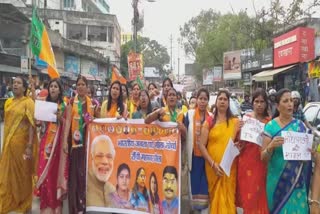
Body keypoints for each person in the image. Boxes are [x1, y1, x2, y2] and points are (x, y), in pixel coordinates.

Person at [261, 88, 312, 213]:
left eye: (291, 100)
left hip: (296, 181)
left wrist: (308, 154)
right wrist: (271, 146)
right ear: (278, 106)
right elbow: (263, 158)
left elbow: (306, 160)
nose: (290, 104)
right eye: (285, 101)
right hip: (277, 182)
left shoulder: (301, 126)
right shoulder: (271, 127)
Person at [198, 89, 240, 213]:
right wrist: (213, 164)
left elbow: (239, 144)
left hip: (229, 168)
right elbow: (201, 145)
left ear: (228, 103)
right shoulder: (209, 122)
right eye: (220, 99)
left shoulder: (235, 122)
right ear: (216, 102)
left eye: (225, 99)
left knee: (228, 199)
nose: (222, 101)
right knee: (215, 199)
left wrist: (239, 145)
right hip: (213, 168)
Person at [0, 76, 38, 213]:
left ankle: (23, 200)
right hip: (9, 145)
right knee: (7, 174)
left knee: (23, 174)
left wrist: (29, 145)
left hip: (22, 146)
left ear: (24, 87)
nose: (15, 85)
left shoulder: (28, 103)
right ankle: (10, 199)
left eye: (19, 83)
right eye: (14, 83)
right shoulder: (8, 102)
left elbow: (32, 126)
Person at [63, 75, 95, 213]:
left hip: (87, 145)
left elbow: (96, 123)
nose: (81, 87)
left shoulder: (92, 103)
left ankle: (83, 205)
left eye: (83, 84)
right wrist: (65, 141)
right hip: (74, 145)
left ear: (87, 87)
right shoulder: (71, 102)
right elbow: (68, 122)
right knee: (74, 175)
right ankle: (74, 207)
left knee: (84, 175)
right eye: (79, 84)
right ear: (76, 87)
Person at [36, 79, 68, 214]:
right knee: (45, 172)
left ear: (60, 90)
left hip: (58, 146)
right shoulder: (44, 105)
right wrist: (37, 121)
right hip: (46, 145)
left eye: (56, 87)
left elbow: (68, 126)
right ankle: (46, 207)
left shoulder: (64, 106)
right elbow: (40, 125)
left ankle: (56, 207)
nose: (53, 89)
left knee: (54, 175)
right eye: (51, 87)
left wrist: (61, 118)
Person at [237, 89, 270, 213]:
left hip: (262, 163)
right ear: (252, 103)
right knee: (248, 198)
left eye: (262, 101)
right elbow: (240, 142)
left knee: (260, 197)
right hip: (246, 163)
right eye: (256, 101)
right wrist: (239, 130)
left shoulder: (270, 122)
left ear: (266, 103)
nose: (259, 104)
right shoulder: (246, 119)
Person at [184, 88, 210, 213]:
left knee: (205, 186)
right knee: (194, 187)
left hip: (207, 158)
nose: (202, 101)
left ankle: (204, 211)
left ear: (208, 101)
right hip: (193, 157)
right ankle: (195, 211)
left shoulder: (212, 117)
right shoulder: (189, 114)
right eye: (200, 98)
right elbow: (183, 132)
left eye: (205, 99)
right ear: (197, 100)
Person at [87, 135, 116, 207]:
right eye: (99, 156)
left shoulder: (113, 190)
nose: (105, 162)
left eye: (109, 156)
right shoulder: (83, 183)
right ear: (92, 157)